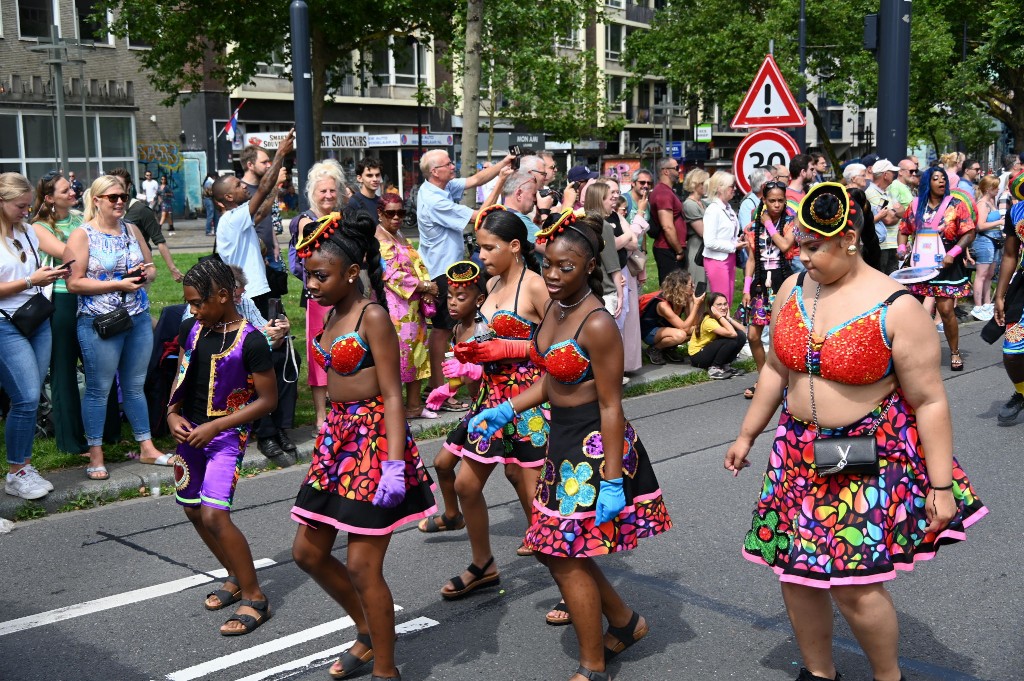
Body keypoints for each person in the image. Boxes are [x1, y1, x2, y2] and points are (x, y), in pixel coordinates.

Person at [725, 181, 986, 681]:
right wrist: (746, 435)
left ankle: (888, 676)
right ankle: (819, 673)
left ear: (848, 237)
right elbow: (776, 371)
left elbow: (929, 401)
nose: (801, 256)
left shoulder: (899, 306)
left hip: (863, 456)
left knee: (854, 584)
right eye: (799, 244)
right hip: (796, 452)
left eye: (812, 247)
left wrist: (940, 486)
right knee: (796, 576)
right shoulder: (791, 289)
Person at [469, 210, 671, 681]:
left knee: (561, 553)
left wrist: (613, 477)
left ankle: (593, 664)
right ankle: (624, 621)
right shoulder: (556, 310)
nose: (554, 276)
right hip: (559, 440)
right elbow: (551, 379)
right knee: (556, 549)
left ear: (589, 267)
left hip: (593, 446)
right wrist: (506, 409)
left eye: (567, 267)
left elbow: (610, 405)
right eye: (548, 266)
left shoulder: (597, 324)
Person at [290, 211, 437, 681]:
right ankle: (368, 630)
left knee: (361, 566)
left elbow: (393, 393)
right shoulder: (332, 312)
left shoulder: (372, 314)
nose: (309, 283)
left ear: (352, 273)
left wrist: (395, 465)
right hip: (338, 441)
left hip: (374, 442)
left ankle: (386, 669)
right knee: (307, 553)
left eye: (320, 275)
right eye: (308, 273)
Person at [440, 206, 551, 600]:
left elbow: (561, 348)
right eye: (479, 247)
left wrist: (512, 346)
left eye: (489, 248)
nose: (482, 256)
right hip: (490, 401)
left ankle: (573, 584)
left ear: (515, 246)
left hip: (528, 401)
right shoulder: (491, 285)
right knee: (466, 484)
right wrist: (470, 354)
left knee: (537, 502)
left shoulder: (536, 285)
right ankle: (483, 563)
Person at [166, 259, 278, 635]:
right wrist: (171, 414)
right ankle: (233, 575)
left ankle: (255, 595)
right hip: (190, 435)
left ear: (224, 295)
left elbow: (267, 401)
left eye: (198, 303)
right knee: (194, 511)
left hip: (226, 436)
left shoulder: (252, 339)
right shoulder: (191, 330)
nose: (193, 311)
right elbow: (181, 377)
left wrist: (216, 425)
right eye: (190, 304)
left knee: (215, 515)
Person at [64, 175, 163, 479]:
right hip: (99, 322)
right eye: (112, 197)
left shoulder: (132, 230)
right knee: (99, 389)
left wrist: (144, 275)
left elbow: (151, 268)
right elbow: (73, 282)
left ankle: (146, 447)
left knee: (135, 385)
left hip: (137, 317)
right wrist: (118, 283)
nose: (120, 201)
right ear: (96, 200)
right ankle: (95, 454)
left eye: (123, 195)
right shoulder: (83, 235)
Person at [417, 148, 510, 411]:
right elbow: (482, 218)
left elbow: (475, 180)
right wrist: (501, 181)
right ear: (435, 172)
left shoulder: (438, 186)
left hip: (448, 266)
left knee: (446, 329)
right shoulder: (435, 200)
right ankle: (439, 390)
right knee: (443, 330)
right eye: (449, 164)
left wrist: (503, 162)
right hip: (442, 271)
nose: (454, 167)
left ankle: (441, 386)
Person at [0, 173, 67, 499]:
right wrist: (31, 281)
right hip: (5, 324)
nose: (27, 211)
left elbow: (33, 273)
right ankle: (15, 472)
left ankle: (24, 465)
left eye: (29, 205)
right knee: (26, 397)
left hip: (36, 319)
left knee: (30, 396)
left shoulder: (27, 231)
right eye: (20, 206)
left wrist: (46, 277)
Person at [419, 261, 488, 533]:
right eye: (449, 297)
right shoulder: (458, 330)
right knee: (441, 463)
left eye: (461, 297)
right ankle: (451, 515)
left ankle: (537, 530)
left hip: (496, 410)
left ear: (479, 299)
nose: (453, 303)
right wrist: (447, 389)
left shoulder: (485, 330)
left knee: (517, 475)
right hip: (476, 408)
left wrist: (472, 369)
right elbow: (460, 374)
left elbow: (495, 371)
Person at [31, 171, 89, 454]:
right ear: (50, 197)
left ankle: (104, 433)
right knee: (64, 369)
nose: (72, 192)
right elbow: (69, 254)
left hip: (89, 298)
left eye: (73, 188)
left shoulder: (80, 218)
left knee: (96, 368)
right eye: (65, 190)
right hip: (63, 302)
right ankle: (70, 439)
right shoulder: (39, 226)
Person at [896, 166, 976, 371]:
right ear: (927, 183)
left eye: (943, 179)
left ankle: (955, 352)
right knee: (911, 311)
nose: (941, 182)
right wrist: (902, 248)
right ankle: (912, 353)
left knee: (946, 310)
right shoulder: (915, 206)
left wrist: (954, 253)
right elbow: (904, 230)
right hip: (919, 266)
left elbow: (969, 232)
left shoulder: (956, 205)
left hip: (946, 265)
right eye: (936, 178)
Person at [289, 159, 345, 443]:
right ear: (313, 192)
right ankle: (322, 415)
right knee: (320, 354)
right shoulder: (304, 222)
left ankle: (342, 408)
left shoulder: (343, 218)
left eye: (332, 191)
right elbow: (299, 261)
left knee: (346, 349)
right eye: (322, 191)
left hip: (345, 294)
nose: (328, 196)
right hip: (318, 296)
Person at [215, 131, 294, 317]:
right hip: (251, 294)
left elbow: (262, 211)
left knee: (275, 336)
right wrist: (280, 153)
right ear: (228, 197)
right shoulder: (233, 218)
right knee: (266, 340)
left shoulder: (237, 218)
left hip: (255, 291)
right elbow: (264, 188)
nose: (243, 185)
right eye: (237, 185)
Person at [376, 193, 437, 419]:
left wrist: (427, 288)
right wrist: (424, 286)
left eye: (401, 213)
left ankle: (414, 406)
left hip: (413, 306)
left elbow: (417, 263)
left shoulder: (400, 234)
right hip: (396, 308)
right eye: (390, 213)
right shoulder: (379, 238)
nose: (396, 218)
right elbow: (390, 274)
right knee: (400, 356)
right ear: (380, 214)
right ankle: (394, 409)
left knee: (418, 353)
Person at [742, 179, 795, 397]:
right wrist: (746, 288)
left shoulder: (791, 222)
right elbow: (752, 260)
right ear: (763, 200)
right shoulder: (753, 227)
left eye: (780, 201)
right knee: (753, 335)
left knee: (777, 336)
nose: (776, 205)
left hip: (782, 282)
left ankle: (778, 381)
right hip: (760, 284)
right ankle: (763, 376)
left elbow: (784, 245)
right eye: (771, 200)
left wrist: (769, 224)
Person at [107, 167, 184, 283]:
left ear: (128, 187)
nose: (116, 189)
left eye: (120, 185)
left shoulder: (141, 210)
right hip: (114, 269)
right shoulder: (108, 210)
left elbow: (159, 240)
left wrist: (173, 269)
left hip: (138, 269)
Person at [601, 177, 646, 374]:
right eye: (612, 192)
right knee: (614, 321)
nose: (615, 196)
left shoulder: (615, 216)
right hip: (610, 274)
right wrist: (623, 239)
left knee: (626, 317)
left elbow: (633, 242)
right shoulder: (600, 220)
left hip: (623, 270)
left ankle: (625, 365)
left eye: (617, 191)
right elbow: (611, 246)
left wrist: (622, 239)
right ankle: (613, 370)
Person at [993, 170, 1024, 424]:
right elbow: (1010, 255)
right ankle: (1022, 393)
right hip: (1022, 288)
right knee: (1012, 352)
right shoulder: (1016, 211)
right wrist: (1000, 294)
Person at [639, 269, 703, 364]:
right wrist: (696, 305)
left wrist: (690, 302)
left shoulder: (681, 299)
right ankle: (654, 349)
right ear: (681, 287)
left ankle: (668, 349)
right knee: (680, 335)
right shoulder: (662, 305)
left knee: (699, 329)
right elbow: (684, 328)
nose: (693, 287)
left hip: (666, 329)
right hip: (650, 332)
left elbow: (694, 324)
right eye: (691, 284)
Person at [702, 171, 744, 309]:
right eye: (732, 186)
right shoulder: (713, 210)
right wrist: (733, 246)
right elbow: (709, 242)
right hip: (717, 260)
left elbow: (726, 234)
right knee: (721, 302)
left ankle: (725, 327)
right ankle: (718, 329)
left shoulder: (727, 208)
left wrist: (737, 240)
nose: (735, 189)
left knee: (728, 300)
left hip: (728, 258)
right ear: (720, 187)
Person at [689, 291, 746, 379]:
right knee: (731, 340)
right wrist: (720, 317)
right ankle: (714, 369)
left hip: (710, 350)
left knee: (741, 336)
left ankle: (725, 366)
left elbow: (743, 331)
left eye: (725, 304)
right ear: (711, 308)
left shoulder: (721, 318)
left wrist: (728, 318)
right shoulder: (709, 321)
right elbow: (732, 333)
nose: (723, 307)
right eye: (719, 305)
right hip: (698, 357)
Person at [969, 175, 1003, 321]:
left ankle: (987, 303)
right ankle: (978, 305)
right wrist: (1000, 221)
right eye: (995, 187)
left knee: (989, 274)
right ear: (989, 189)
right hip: (985, 241)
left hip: (994, 240)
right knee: (981, 275)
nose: (998, 189)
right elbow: (980, 226)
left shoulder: (991, 202)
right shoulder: (982, 204)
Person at [649, 157, 688, 283]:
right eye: (676, 168)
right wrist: (679, 251)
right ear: (665, 171)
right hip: (668, 250)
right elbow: (667, 226)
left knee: (678, 291)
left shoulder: (666, 191)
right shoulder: (663, 193)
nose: (679, 171)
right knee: (672, 292)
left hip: (671, 249)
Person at [682, 168, 709, 285]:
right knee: (697, 286)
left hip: (704, 248)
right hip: (696, 248)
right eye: (704, 183)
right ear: (696, 184)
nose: (707, 186)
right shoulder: (689, 205)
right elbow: (703, 232)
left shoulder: (703, 203)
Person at [203, 171, 219, 237]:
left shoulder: (211, 182)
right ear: (214, 176)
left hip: (212, 200)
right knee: (210, 215)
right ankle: (208, 231)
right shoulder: (209, 182)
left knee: (216, 216)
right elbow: (209, 193)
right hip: (208, 200)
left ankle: (216, 230)